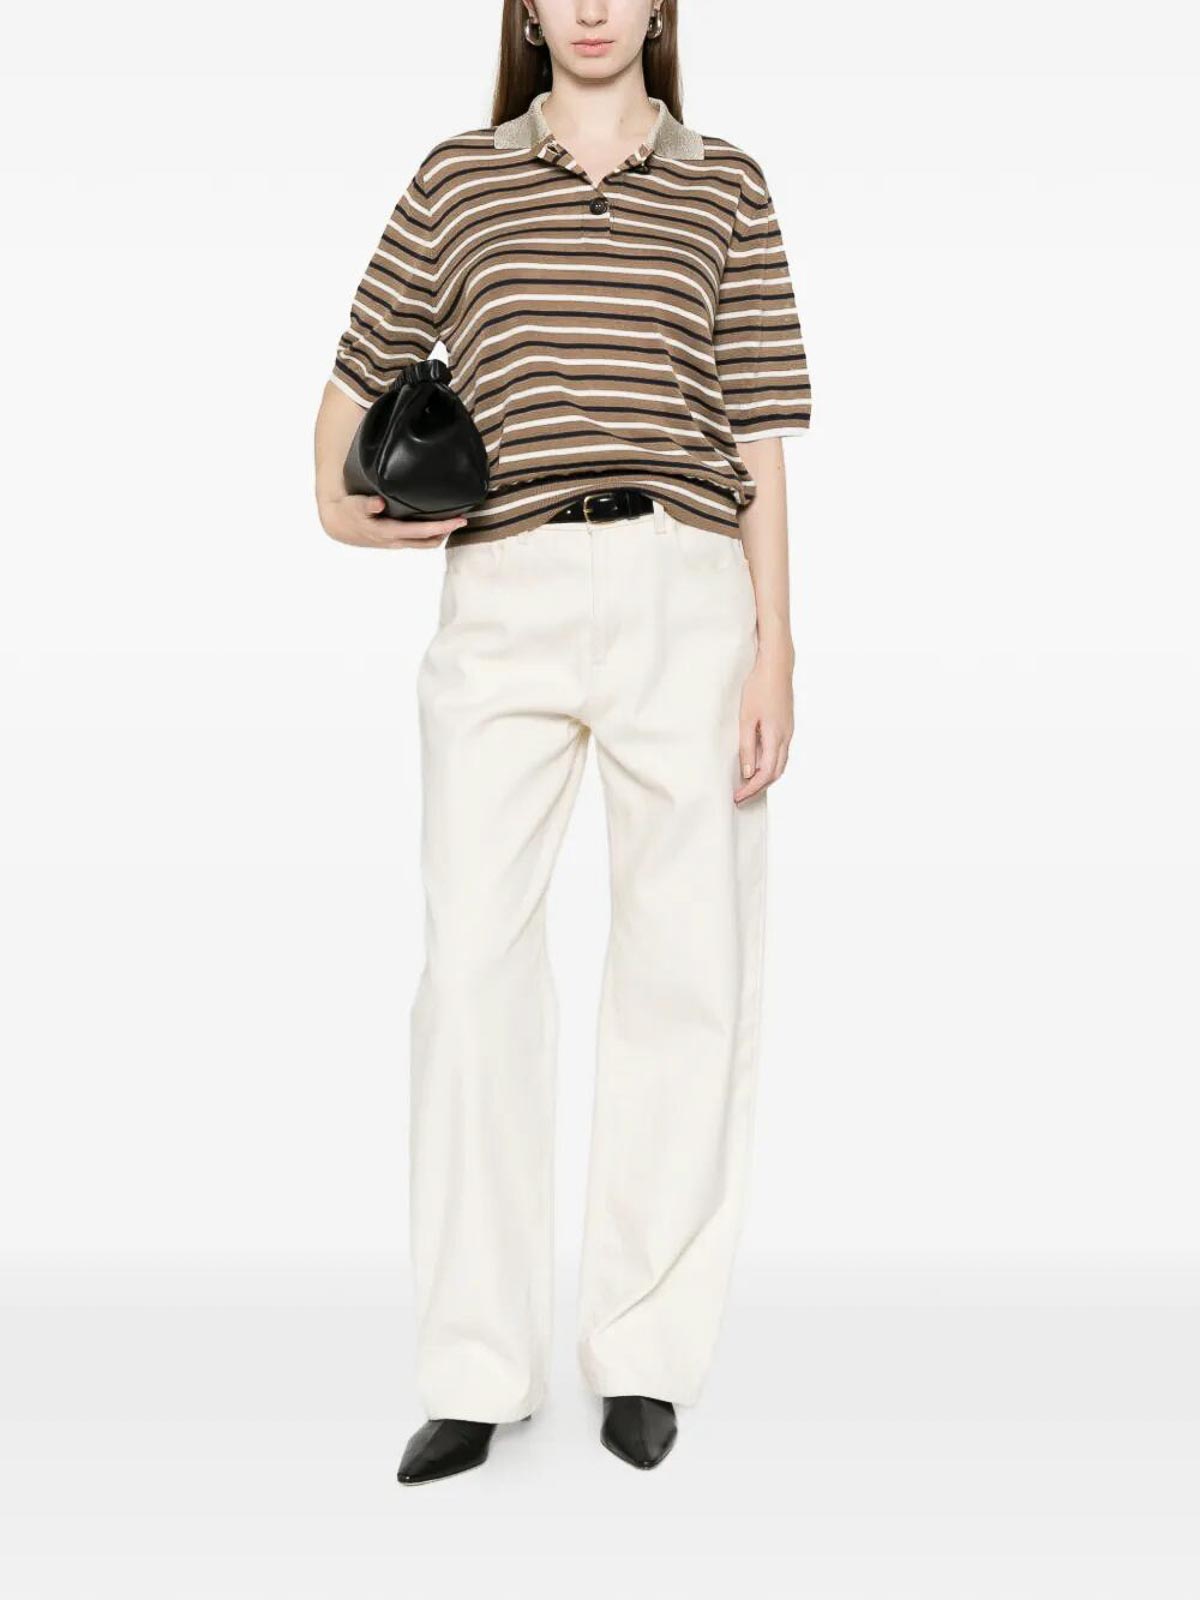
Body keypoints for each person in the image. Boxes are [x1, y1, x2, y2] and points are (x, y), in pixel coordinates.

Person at [312, 0, 811, 1481]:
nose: (592, 4)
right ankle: (476, 1366)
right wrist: (350, 513)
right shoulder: (458, 176)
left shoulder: (728, 182)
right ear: (526, 8)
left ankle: (644, 1352)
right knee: (471, 970)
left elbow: (759, 428)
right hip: (507, 590)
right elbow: (351, 387)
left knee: (686, 970)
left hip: (685, 586)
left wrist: (777, 646)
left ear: (661, 4)